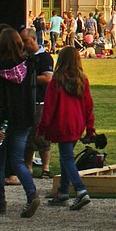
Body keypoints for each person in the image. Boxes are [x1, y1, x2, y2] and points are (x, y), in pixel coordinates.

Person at [0, 27, 41, 218]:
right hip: (22, 119)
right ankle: (31, 193)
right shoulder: (28, 66)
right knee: (17, 160)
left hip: (4, 122)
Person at [37, 46, 95, 210]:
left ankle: (81, 190)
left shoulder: (57, 81)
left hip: (62, 123)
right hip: (77, 124)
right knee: (65, 157)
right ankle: (63, 191)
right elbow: (88, 105)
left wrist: (41, 129)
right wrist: (90, 128)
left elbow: (49, 107)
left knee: (67, 158)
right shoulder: (82, 80)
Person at [21, 28, 53, 180]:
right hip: (27, 100)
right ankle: (28, 166)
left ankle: (46, 167)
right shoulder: (24, 57)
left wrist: (26, 79)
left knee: (41, 135)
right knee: (27, 135)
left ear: (33, 40)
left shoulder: (45, 58)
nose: (23, 44)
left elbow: (47, 78)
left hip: (41, 100)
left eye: (25, 41)